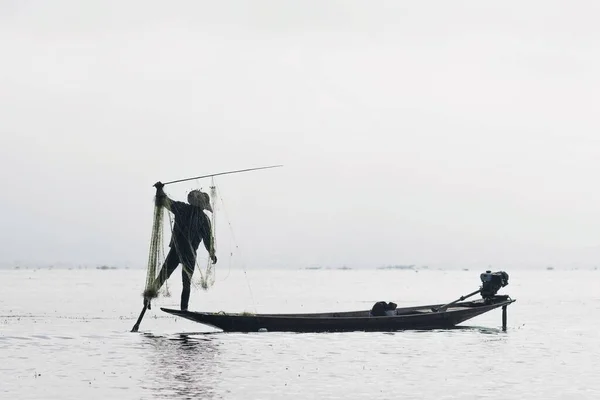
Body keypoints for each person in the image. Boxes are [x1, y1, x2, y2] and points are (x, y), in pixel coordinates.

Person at [145, 181, 217, 311]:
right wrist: (212, 253)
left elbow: (165, 201)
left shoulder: (182, 208)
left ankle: (148, 298)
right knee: (186, 282)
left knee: (163, 276)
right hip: (187, 254)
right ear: (204, 205)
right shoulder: (203, 219)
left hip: (176, 251)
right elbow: (208, 240)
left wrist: (159, 189)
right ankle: (184, 309)